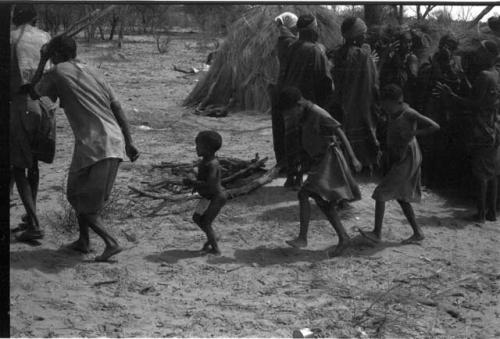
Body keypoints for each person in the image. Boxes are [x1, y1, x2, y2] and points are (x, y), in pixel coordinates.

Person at [27, 36, 140, 261]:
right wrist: (129, 141)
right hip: (113, 140)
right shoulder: (93, 70)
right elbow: (116, 106)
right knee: (86, 197)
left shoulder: (57, 72)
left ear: (55, 54)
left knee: (77, 198)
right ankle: (84, 241)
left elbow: (33, 93)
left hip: (92, 144)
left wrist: (42, 61)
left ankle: (111, 242)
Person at [279, 87, 362, 257]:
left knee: (304, 194)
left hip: (328, 159)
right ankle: (343, 237)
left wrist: (353, 157)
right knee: (324, 202)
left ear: (299, 104)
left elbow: (339, 130)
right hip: (318, 160)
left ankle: (303, 238)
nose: (290, 116)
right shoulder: (303, 114)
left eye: (290, 112)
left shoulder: (318, 113)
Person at [359, 84, 439, 244]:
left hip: (408, 157)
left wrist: (413, 133)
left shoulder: (409, 113)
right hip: (400, 155)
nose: (384, 107)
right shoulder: (393, 112)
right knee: (401, 197)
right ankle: (418, 233)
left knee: (381, 193)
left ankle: (377, 233)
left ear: (394, 101)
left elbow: (434, 126)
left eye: (385, 104)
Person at [436, 40, 499, 222]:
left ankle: (480, 214)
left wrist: (452, 96)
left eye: (481, 51)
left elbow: (475, 104)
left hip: (482, 128)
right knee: (493, 171)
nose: (477, 54)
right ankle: (492, 212)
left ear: (489, 55)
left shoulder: (484, 76)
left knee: (480, 173)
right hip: (494, 127)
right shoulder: (494, 75)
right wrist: (463, 77)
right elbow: (481, 96)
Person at [277, 14, 334, 189]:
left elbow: (283, 73)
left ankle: (292, 176)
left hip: (290, 100)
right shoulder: (315, 50)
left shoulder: (291, 47)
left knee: (292, 138)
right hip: (307, 102)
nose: (317, 31)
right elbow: (325, 80)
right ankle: (305, 177)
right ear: (311, 30)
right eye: (315, 28)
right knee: (307, 140)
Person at [10, 4, 52, 241]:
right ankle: (31, 215)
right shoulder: (45, 37)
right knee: (33, 163)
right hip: (45, 106)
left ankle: (34, 224)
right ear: (35, 18)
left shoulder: (11, 39)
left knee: (18, 165)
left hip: (20, 104)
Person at [418, 34, 470, 188]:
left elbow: (458, 84)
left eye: (452, 46)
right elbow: (424, 81)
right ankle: (426, 180)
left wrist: (447, 64)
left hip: (450, 109)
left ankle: (440, 181)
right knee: (429, 143)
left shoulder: (455, 63)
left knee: (444, 144)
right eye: (446, 45)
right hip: (432, 107)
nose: (448, 49)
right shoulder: (430, 61)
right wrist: (437, 64)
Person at [331, 17, 380, 172]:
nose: (365, 37)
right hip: (361, 105)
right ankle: (364, 164)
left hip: (340, 104)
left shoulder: (336, 53)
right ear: (356, 36)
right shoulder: (363, 56)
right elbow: (372, 83)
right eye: (363, 34)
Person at [183, 131, 227, 255]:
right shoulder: (205, 161)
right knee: (197, 218)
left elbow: (210, 184)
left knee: (206, 222)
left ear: (207, 148)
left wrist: (192, 183)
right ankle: (213, 237)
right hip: (208, 196)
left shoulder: (213, 164)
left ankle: (215, 249)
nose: (196, 148)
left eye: (198, 145)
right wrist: (192, 176)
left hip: (216, 197)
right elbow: (199, 174)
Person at [270, 12, 298, 171]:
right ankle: (288, 163)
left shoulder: (282, 41)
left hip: (278, 88)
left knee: (279, 127)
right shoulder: (290, 43)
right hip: (286, 89)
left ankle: (282, 161)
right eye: (295, 26)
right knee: (288, 127)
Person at [379, 25, 419, 107]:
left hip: (406, 99)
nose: (408, 45)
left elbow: (413, 78)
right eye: (405, 42)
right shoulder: (391, 58)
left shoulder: (411, 58)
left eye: (410, 42)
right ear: (398, 43)